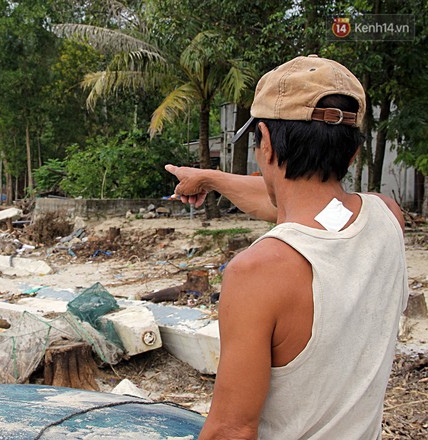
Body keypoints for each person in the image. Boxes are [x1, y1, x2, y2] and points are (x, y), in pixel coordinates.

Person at [166, 55, 409, 440]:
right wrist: (209, 178)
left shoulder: (258, 271)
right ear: (354, 151)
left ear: (265, 141)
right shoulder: (387, 217)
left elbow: (231, 429)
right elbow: (305, 207)